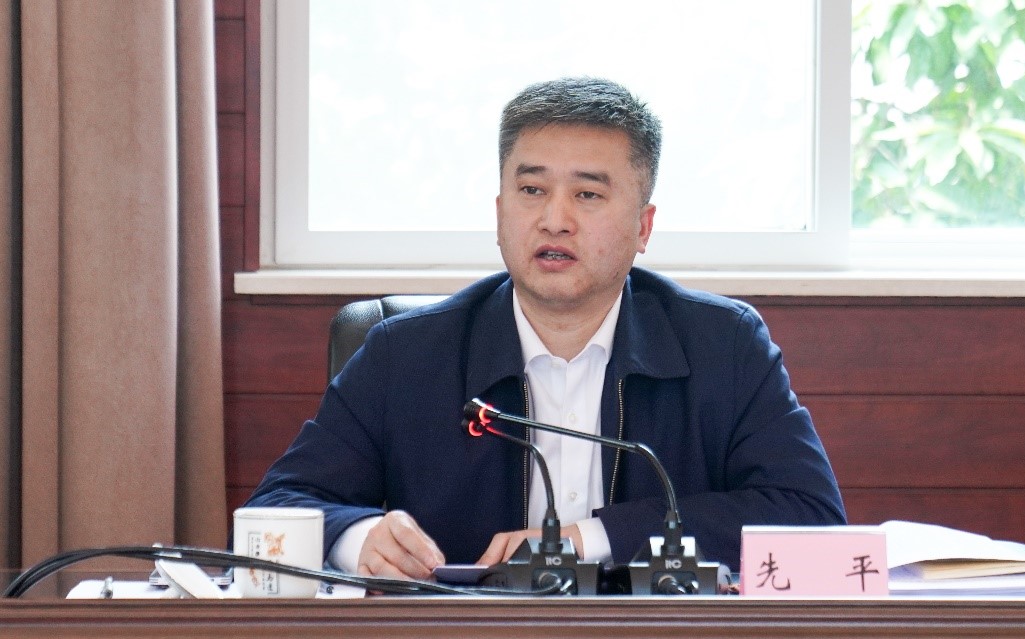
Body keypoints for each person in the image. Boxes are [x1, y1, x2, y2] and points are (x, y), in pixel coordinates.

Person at [245, 77, 846, 581]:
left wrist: (590, 540)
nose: (554, 220)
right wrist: (358, 537)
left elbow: (811, 518)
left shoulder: (723, 347)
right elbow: (275, 508)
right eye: (531, 190)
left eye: (587, 194)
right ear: (500, 212)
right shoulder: (405, 353)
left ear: (643, 227)